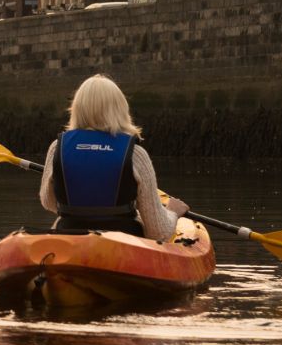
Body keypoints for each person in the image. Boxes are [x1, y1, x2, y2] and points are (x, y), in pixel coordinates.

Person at [38, 74, 188, 241]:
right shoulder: (136, 154)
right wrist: (172, 212)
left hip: (71, 239)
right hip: (125, 244)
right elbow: (159, 232)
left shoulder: (56, 148)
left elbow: (49, 202)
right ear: (120, 109)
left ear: (77, 109)